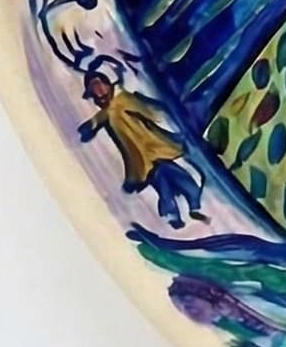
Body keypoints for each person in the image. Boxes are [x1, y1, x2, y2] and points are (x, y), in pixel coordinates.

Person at [78, 61, 206, 230]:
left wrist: (159, 117)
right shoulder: (107, 112)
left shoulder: (123, 99)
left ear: (108, 84)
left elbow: (147, 111)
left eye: (99, 84)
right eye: (94, 88)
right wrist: (88, 127)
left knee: (175, 177)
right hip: (141, 158)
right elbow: (97, 120)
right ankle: (174, 213)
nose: (99, 90)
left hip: (154, 148)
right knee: (162, 182)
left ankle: (191, 204)